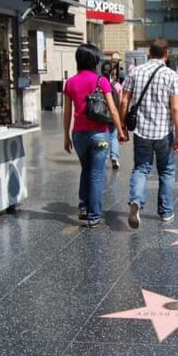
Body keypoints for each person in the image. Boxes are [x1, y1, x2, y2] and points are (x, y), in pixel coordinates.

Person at [120, 37, 178, 228]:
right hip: (164, 132)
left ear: (149, 53)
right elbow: (175, 108)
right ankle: (166, 212)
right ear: (167, 54)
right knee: (166, 171)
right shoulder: (170, 75)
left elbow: (124, 102)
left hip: (141, 131)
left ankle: (136, 202)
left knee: (141, 169)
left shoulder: (135, 72)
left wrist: (122, 126)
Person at [63, 43, 128, 228]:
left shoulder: (70, 83)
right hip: (100, 134)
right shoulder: (102, 81)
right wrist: (121, 131)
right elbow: (113, 109)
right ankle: (94, 215)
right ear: (95, 60)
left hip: (78, 134)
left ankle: (84, 206)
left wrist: (66, 136)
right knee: (97, 174)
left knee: (86, 169)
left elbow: (67, 113)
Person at [101, 61, 123, 169]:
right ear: (112, 73)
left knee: (104, 138)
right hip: (113, 116)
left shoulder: (99, 83)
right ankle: (114, 157)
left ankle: (104, 159)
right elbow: (121, 101)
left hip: (101, 115)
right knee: (114, 137)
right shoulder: (117, 85)